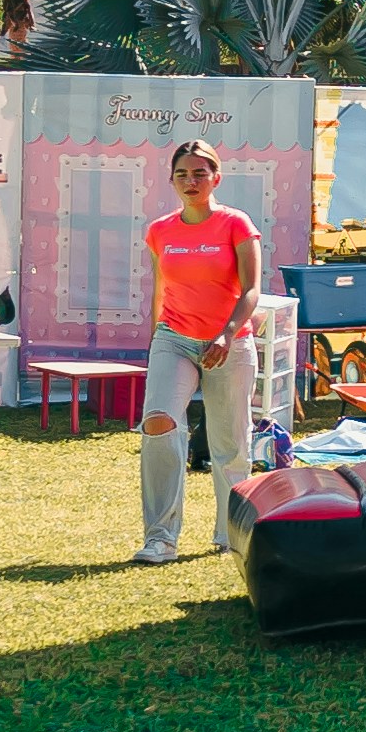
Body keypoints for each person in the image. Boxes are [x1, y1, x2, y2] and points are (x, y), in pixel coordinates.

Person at [137, 138, 266, 565]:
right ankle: (160, 538)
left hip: (230, 342)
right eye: (181, 174)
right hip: (173, 339)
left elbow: (251, 289)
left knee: (230, 444)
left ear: (216, 178)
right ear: (172, 180)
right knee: (158, 423)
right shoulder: (160, 231)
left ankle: (230, 531)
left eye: (198, 173)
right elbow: (160, 289)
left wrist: (227, 335)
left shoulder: (236, 224)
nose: (190, 181)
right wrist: (156, 338)